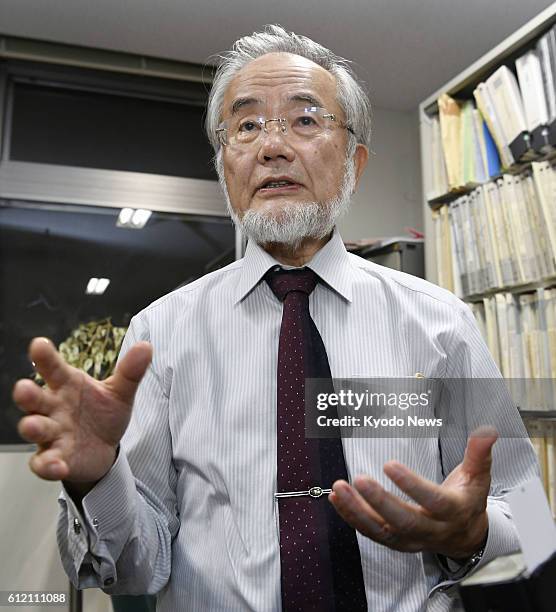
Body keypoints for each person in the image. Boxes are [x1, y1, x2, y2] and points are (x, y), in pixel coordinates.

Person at [13, 25, 538, 612]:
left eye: (306, 120)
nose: (272, 146)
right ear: (225, 169)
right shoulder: (160, 334)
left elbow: (535, 524)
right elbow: (136, 569)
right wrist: (96, 479)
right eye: (246, 125)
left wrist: (475, 534)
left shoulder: (442, 325)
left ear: (353, 163)